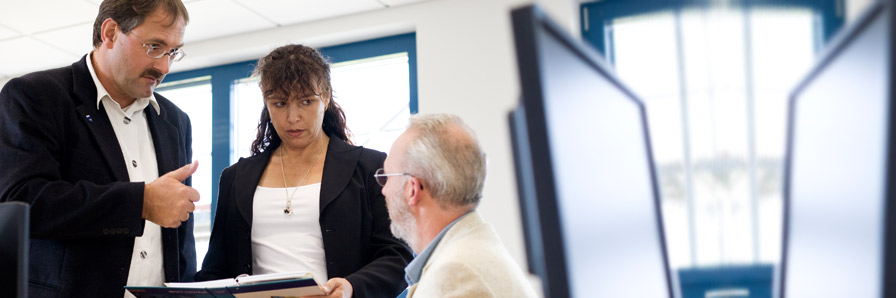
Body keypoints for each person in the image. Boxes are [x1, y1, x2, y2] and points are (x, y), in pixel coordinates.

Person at [0, 0, 198, 297]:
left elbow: (179, 236)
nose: (164, 66)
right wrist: (140, 203)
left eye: (172, 51)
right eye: (154, 47)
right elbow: (23, 202)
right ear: (110, 33)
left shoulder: (176, 121)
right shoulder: (36, 96)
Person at [194, 44, 412, 298]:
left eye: (306, 101)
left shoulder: (369, 167)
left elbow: (399, 255)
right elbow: (216, 269)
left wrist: (352, 286)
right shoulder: (236, 178)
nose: (292, 117)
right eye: (280, 103)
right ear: (266, 103)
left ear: (326, 97)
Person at [378, 114, 539, 298]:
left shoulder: (454, 273)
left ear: (412, 189)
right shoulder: (476, 251)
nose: (383, 191)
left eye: (387, 177)